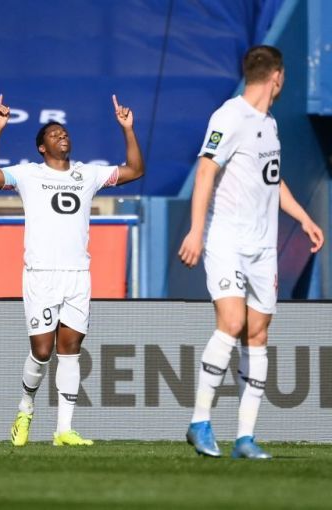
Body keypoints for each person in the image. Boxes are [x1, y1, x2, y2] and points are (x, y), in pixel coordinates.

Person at [0, 94, 144, 447]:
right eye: (53, 134)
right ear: (41, 147)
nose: (61, 136)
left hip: (77, 274)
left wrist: (128, 129)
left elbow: (135, 170)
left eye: (64, 132)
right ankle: (25, 408)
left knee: (70, 348)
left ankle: (64, 430)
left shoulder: (88, 173)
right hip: (40, 273)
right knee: (42, 350)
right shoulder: (27, 174)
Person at [179, 45, 324, 459]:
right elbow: (206, 169)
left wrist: (304, 218)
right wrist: (196, 231)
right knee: (232, 320)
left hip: (263, 248)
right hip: (227, 240)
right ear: (276, 76)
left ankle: (245, 437)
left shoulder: (269, 123)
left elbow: (272, 180)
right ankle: (199, 421)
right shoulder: (229, 117)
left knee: (257, 334)